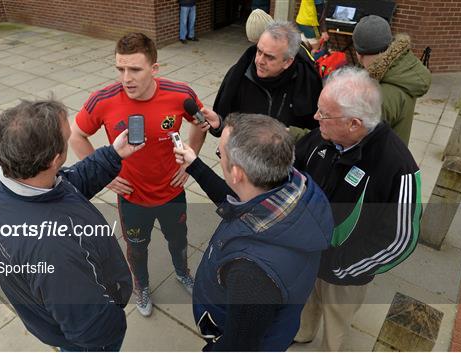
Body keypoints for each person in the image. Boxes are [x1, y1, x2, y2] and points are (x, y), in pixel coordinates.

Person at [0, 99, 141, 351]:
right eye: (68, 138)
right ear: (55, 159)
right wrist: (114, 321)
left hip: (47, 313)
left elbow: (68, 185)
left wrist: (111, 155)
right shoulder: (54, 249)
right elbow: (92, 328)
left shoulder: (3, 179)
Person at [69, 32, 207, 317]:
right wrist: (104, 176)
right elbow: (76, 135)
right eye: (120, 69)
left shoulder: (180, 94)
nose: (126, 78)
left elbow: (201, 123)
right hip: (132, 197)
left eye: (135, 69)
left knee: (179, 240)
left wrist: (189, 162)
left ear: (154, 68)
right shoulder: (103, 100)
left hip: (171, 190)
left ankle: (183, 272)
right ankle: (140, 285)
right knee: (137, 248)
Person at [173, 113, 334, 351]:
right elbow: (235, 204)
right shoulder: (297, 188)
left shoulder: (251, 272)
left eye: (220, 154)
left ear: (237, 174)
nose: (219, 158)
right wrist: (194, 166)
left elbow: (240, 345)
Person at [292, 67, 421, 351]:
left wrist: (345, 266)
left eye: (324, 114)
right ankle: (302, 332)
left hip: (345, 271)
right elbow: (294, 172)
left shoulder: (398, 167)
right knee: (304, 302)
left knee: (336, 321)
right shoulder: (322, 138)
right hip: (308, 253)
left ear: (354, 124)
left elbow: (401, 239)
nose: (316, 118)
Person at [204, 21, 322, 141]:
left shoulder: (306, 83)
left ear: (287, 62)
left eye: (269, 57)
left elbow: (317, 135)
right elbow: (224, 123)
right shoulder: (239, 74)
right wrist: (218, 125)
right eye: (259, 51)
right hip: (241, 155)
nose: (260, 61)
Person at [352, 15, 431, 145]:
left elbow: (357, 141)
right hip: (397, 152)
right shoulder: (403, 69)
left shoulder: (379, 96)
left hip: (380, 160)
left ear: (358, 54)